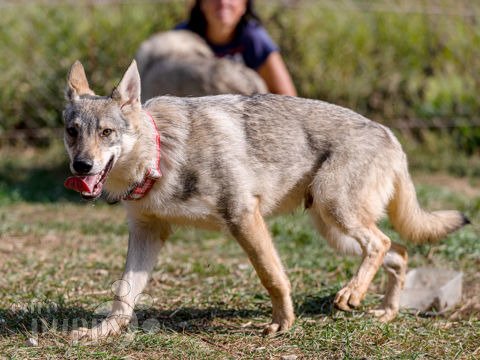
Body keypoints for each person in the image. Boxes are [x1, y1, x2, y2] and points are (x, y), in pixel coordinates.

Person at [176, 0, 297, 96]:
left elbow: (288, 99)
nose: (223, 2)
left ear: (245, 4)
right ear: (201, 3)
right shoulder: (180, 41)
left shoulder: (255, 40)